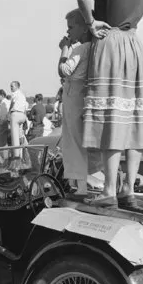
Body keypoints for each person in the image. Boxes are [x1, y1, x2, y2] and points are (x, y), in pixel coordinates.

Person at [77, 0, 143, 207]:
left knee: (111, 117)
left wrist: (91, 22)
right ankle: (128, 189)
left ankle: (108, 190)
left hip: (111, 42)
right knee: (132, 116)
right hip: (134, 45)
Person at [58, 10, 92, 198]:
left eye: (71, 27)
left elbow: (64, 70)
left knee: (73, 140)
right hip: (82, 94)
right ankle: (80, 183)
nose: (69, 31)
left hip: (73, 95)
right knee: (79, 140)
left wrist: (64, 49)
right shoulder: (92, 47)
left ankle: (80, 186)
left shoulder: (80, 49)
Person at [8, 81, 28, 158]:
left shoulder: (14, 94)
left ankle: (16, 158)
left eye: (12, 86)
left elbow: (12, 104)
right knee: (21, 135)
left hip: (15, 114)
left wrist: (8, 112)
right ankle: (24, 153)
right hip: (22, 115)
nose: (11, 88)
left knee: (14, 138)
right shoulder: (23, 95)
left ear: (17, 87)